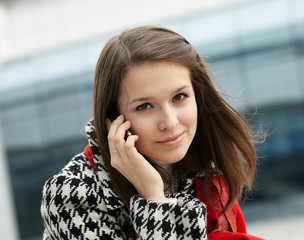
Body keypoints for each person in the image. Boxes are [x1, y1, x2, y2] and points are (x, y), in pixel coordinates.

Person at [41, 25, 263, 240]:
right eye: (145, 106)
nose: (170, 122)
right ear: (113, 116)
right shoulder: (73, 193)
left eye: (179, 97)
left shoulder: (202, 166)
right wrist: (153, 198)